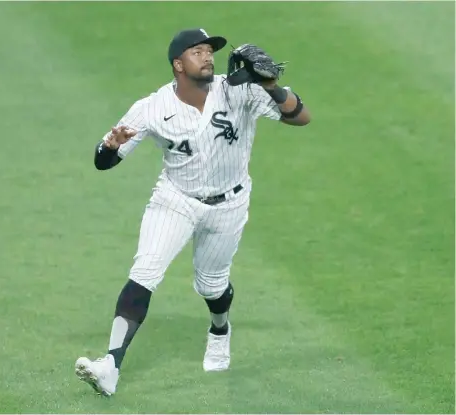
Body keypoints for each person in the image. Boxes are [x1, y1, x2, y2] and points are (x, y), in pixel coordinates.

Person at [75, 28, 311, 397]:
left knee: (211, 284)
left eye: (210, 51)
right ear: (178, 64)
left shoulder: (239, 90)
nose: (208, 57)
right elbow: (103, 162)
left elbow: (301, 116)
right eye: (197, 51)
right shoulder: (152, 108)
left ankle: (219, 331)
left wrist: (270, 84)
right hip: (176, 199)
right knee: (145, 270)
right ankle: (110, 365)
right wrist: (109, 144)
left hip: (229, 204)